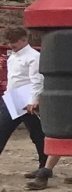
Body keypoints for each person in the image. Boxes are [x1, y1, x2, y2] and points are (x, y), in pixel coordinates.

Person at [1, 25, 46, 182]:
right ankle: (44, 166)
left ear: (24, 40)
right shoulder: (14, 56)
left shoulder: (34, 56)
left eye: (14, 41)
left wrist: (33, 101)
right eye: (10, 41)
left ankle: (44, 167)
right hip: (13, 97)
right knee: (36, 134)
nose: (12, 45)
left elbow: (36, 80)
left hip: (25, 99)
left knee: (37, 134)